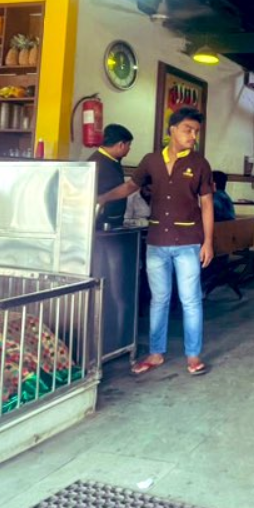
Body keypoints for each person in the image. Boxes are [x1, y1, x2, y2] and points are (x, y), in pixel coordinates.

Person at [99, 107, 214, 377]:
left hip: (188, 242)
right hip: (157, 242)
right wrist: (102, 197)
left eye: (196, 131)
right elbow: (130, 187)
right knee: (159, 300)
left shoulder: (199, 163)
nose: (193, 136)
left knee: (191, 300)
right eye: (188, 129)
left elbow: (207, 204)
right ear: (172, 129)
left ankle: (193, 355)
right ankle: (156, 353)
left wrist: (208, 242)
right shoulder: (151, 161)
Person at [89, 124, 134, 229]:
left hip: (112, 221)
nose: (129, 149)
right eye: (129, 145)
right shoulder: (99, 163)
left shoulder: (112, 160)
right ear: (121, 145)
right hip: (102, 224)